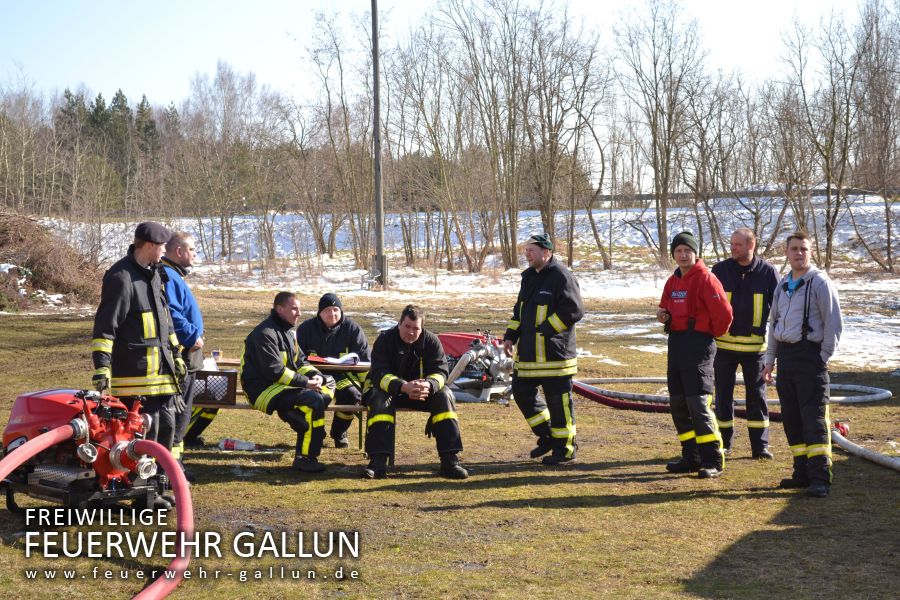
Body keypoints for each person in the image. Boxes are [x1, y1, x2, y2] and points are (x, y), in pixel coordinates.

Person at [91, 221, 186, 508]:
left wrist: (177, 354)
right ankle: (134, 492)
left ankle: (154, 490)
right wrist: (102, 366)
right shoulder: (120, 277)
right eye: (161, 247)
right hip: (135, 377)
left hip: (163, 376)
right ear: (147, 246)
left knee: (166, 431)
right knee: (143, 435)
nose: (165, 252)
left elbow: (164, 322)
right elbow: (105, 327)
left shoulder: (156, 274)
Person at [763, 231, 842, 498]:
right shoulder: (783, 284)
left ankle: (820, 476)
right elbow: (773, 326)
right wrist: (769, 361)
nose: (799, 253)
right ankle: (802, 472)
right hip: (786, 358)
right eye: (794, 249)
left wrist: (823, 357)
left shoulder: (820, 283)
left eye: (803, 249)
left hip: (811, 358)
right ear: (786, 253)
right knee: (792, 419)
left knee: (814, 419)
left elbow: (833, 324)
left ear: (810, 252)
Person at [502, 233, 585, 465]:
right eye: (526, 250)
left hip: (555, 356)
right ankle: (547, 435)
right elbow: (519, 311)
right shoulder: (528, 277)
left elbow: (574, 310)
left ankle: (566, 449)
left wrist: (547, 328)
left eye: (532, 250)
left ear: (546, 252)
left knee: (559, 404)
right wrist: (510, 336)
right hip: (529, 355)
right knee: (521, 393)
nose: (527, 254)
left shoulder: (562, 276)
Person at [657, 231, 733, 479]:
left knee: (698, 403)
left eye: (686, 250)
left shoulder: (707, 279)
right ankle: (691, 456)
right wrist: (664, 317)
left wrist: (707, 334)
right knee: (678, 403)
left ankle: (713, 458)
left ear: (695, 253)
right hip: (677, 344)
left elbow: (724, 315)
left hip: (699, 345)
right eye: (678, 251)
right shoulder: (673, 281)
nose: (682, 255)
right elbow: (665, 306)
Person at [362, 304, 467, 480]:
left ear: (422, 328)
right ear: (399, 324)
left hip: (421, 392)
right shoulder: (385, 340)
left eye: (416, 328)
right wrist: (403, 386)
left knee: (445, 395)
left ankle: (450, 461)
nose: (411, 332)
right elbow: (379, 374)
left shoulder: (432, 341)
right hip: (388, 391)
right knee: (380, 400)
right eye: (407, 327)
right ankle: (377, 462)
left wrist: (429, 385)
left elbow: (442, 372)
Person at [240, 292, 335, 473]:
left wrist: (316, 376)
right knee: (313, 401)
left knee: (329, 381)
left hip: (282, 387)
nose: (299, 313)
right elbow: (275, 371)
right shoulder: (264, 333)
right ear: (280, 309)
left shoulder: (289, 334)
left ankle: (297, 416)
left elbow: (300, 363)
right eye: (294, 309)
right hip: (262, 390)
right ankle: (305, 458)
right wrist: (306, 384)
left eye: (299, 309)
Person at [711, 228, 779, 459]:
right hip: (724, 348)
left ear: (751, 246)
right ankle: (723, 443)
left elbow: (779, 311)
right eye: (731, 244)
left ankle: (760, 447)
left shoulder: (768, 272)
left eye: (737, 244)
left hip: (755, 351)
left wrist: (774, 351)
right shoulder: (720, 271)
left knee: (757, 397)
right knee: (722, 397)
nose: (732, 248)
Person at [297, 293, 370, 449]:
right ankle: (317, 432)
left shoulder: (352, 329)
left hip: (344, 376)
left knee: (351, 395)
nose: (332, 314)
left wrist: (368, 388)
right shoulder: (305, 329)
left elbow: (365, 360)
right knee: (312, 398)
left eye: (336, 310)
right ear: (319, 312)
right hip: (315, 376)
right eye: (328, 310)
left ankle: (339, 432)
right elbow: (297, 358)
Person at [161, 232, 204, 478]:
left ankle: (176, 466)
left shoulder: (174, 274)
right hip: (182, 355)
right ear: (179, 251)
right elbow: (173, 314)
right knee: (178, 413)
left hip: (189, 355)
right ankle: (172, 470)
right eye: (193, 250)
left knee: (184, 413)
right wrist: (192, 336)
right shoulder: (168, 276)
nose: (195, 255)